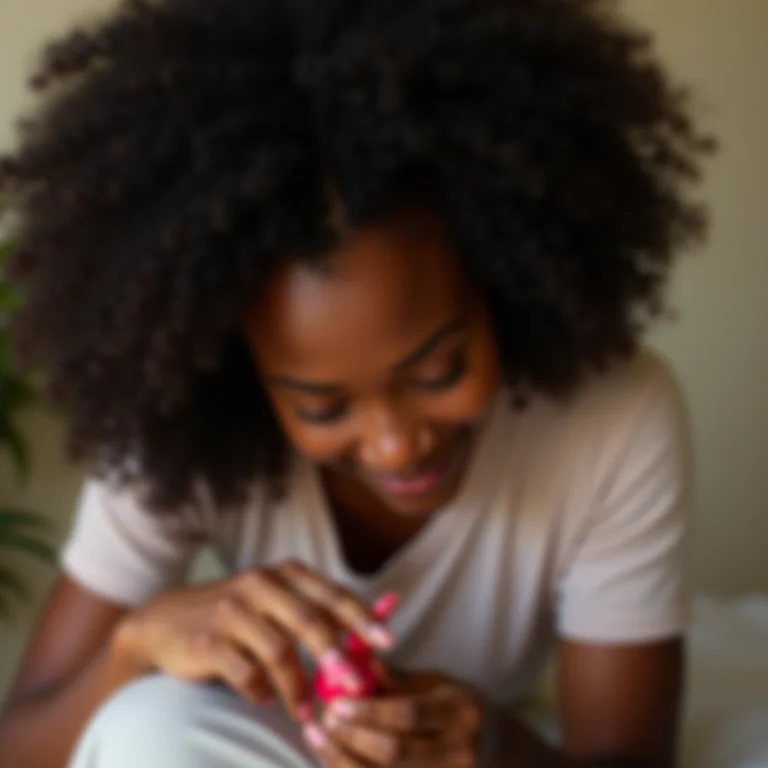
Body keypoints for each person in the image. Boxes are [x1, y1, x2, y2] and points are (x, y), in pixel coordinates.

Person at [0, 0, 714, 766]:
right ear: (241, 372)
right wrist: (132, 649)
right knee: (149, 725)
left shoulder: (613, 417)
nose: (396, 445)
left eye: (439, 370)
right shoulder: (178, 425)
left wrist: (489, 741)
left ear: (501, 287)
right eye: (322, 407)